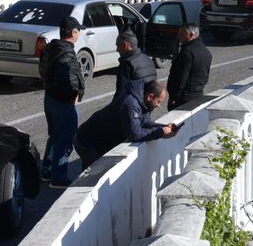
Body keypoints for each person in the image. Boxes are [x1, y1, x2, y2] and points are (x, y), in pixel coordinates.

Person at [67, 79, 177, 184]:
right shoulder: (130, 104)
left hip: (97, 141)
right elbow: (135, 134)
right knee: (96, 178)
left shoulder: (143, 101)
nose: (158, 106)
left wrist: (164, 127)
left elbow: (146, 123)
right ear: (150, 96)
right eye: (158, 102)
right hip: (88, 143)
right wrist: (161, 133)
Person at [38, 16, 84, 182]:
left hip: (49, 98)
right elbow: (67, 79)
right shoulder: (66, 53)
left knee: (54, 135)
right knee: (64, 140)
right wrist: (73, 97)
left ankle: (47, 170)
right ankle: (58, 178)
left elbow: (42, 71)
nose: (79, 34)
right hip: (63, 103)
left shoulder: (51, 48)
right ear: (73, 32)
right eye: (78, 31)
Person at [168, 23, 212, 110]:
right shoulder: (206, 51)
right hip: (198, 94)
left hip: (183, 98)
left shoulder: (187, 53)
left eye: (182, 34)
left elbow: (181, 78)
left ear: (191, 35)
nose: (179, 37)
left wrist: (173, 97)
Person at [114, 30, 157, 103]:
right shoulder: (147, 59)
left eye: (118, 45)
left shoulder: (127, 64)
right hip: (148, 103)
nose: (117, 50)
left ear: (125, 45)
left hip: (133, 106)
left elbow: (121, 92)